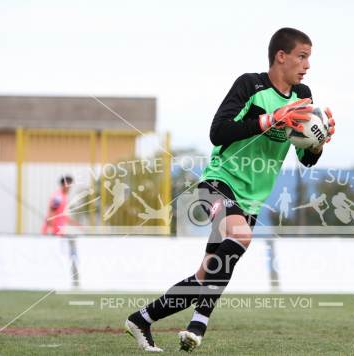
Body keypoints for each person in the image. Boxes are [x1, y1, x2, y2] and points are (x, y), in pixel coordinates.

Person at [125, 27, 335, 352]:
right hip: (218, 181)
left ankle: (142, 319)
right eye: (302, 56)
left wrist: (318, 143)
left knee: (208, 273)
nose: (307, 65)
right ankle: (198, 326)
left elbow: (305, 159)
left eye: (309, 58)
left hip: (252, 197)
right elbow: (218, 132)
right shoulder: (250, 85)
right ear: (281, 56)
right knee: (240, 237)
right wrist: (269, 120)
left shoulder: (303, 96)